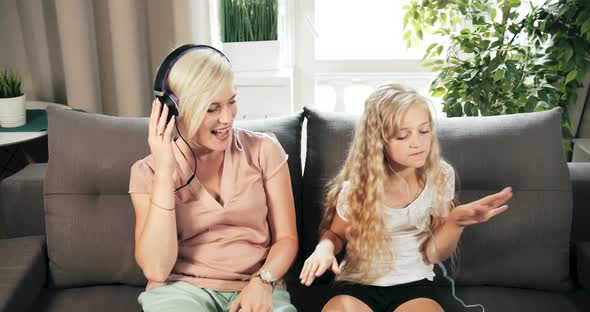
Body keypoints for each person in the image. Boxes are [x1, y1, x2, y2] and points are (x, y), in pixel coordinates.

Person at [299, 83, 513, 312]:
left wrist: (455, 221)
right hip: (357, 285)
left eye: (424, 131)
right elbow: (335, 234)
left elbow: (433, 253)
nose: (417, 142)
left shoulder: (439, 176)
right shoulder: (357, 190)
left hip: (414, 287)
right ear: (378, 141)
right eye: (403, 135)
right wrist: (324, 248)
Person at [129, 44, 298, 312]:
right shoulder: (147, 172)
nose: (228, 118)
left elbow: (287, 239)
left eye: (231, 102)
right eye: (212, 109)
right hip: (182, 292)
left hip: (256, 286)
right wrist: (164, 172)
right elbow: (156, 269)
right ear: (175, 110)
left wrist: (263, 281)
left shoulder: (265, 150)